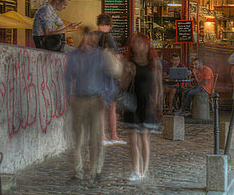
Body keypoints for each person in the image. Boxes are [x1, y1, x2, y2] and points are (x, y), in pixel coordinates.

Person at [65, 27, 113, 184]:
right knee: (77, 139)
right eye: (84, 37)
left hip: (95, 99)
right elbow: (68, 77)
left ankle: (94, 171)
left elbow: (107, 77)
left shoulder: (100, 55)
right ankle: (77, 172)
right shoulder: (74, 56)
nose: (86, 41)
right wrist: (68, 94)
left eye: (89, 38)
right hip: (79, 99)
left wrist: (105, 97)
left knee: (95, 138)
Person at [122, 32, 162, 181]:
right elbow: (122, 85)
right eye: (134, 42)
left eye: (139, 42)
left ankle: (144, 170)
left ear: (146, 45)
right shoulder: (129, 62)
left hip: (147, 103)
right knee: (132, 138)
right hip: (132, 102)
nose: (135, 45)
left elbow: (158, 85)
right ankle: (135, 170)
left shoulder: (154, 62)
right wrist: (128, 74)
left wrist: (157, 103)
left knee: (144, 137)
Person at [96, 26, 124, 145]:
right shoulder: (107, 44)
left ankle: (105, 136)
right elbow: (117, 58)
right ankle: (111, 136)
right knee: (109, 107)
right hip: (109, 79)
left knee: (103, 107)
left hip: (103, 79)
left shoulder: (94, 50)